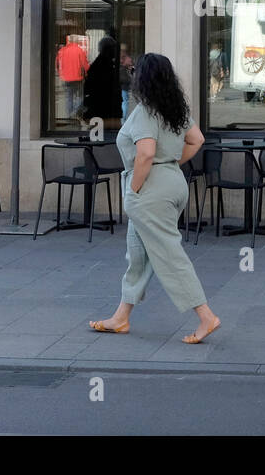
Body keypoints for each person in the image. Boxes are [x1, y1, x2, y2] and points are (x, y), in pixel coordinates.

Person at [89, 53, 220, 344]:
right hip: (172, 183)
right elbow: (197, 139)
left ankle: (206, 316)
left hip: (149, 191)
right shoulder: (175, 109)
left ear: (142, 79)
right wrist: (170, 162)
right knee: (138, 255)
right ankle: (121, 317)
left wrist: (135, 188)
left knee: (168, 255)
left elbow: (146, 153)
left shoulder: (145, 112)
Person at [82, 36, 122, 123]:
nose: (115, 52)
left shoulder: (104, 65)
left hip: (105, 111)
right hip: (104, 112)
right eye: (113, 49)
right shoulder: (101, 67)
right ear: (107, 50)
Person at [56, 34, 88, 120]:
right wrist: (87, 73)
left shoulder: (62, 50)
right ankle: (75, 112)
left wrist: (60, 73)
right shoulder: (79, 50)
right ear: (76, 41)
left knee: (69, 97)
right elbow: (85, 64)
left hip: (66, 78)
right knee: (80, 97)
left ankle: (70, 115)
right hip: (78, 78)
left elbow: (57, 64)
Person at [118, 42, 134, 119]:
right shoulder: (127, 59)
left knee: (123, 101)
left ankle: (122, 118)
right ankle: (123, 119)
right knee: (124, 102)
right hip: (124, 84)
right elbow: (132, 69)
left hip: (121, 84)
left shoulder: (116, 57)